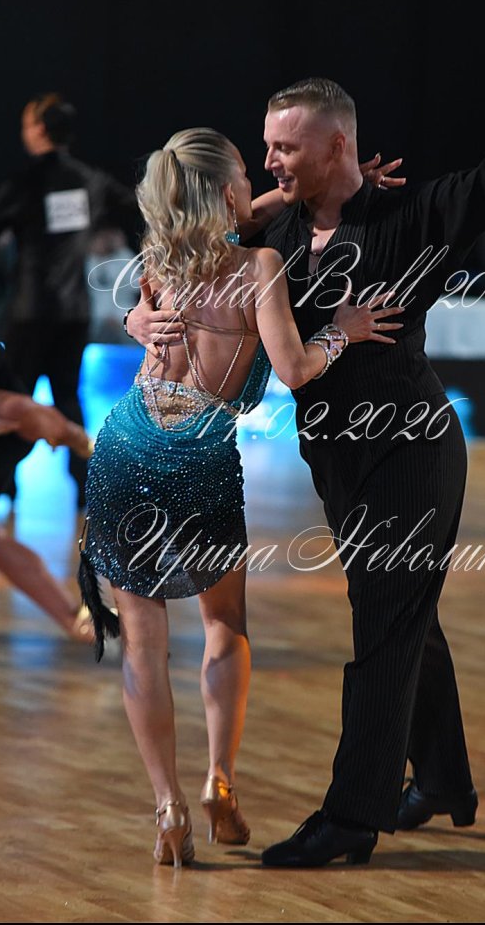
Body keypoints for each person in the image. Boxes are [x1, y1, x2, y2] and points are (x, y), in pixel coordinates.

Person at [129, 81, 485, 868]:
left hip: (412, 452)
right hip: (337, 461)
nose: (271, 161)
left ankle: (352, 816)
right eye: (266, 147)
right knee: (408, 617)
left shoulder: (413, 217)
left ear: (337, 145)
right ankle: (443, 778)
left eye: (286, 147)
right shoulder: (280, 225)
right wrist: (137, 315)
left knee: (383, 620)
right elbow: (194, 233)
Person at [79, 127, 403, 868]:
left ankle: (167, 806)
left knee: (143, 644)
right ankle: (218, 778)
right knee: (225, 626)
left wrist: (132, 317)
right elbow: (293, 368)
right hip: (200, 456)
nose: (260, 184)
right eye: (247, 177)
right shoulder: (259, 266)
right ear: (229, 192)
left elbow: (237, 213)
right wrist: (344, 331)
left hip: (125, 444)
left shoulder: (160, 260)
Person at [0, 92, 138, 507]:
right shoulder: (91, 181)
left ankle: (3, 486)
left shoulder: (23, 184)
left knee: (15, 402)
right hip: (74, 313)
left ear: (39, 129)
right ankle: (85, 492)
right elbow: (139, 205)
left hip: (29, 312)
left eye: (26, 124)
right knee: (69, 399)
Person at [0, 333, 93, 643]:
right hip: (13, 427)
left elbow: (21, 412)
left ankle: (78, 621)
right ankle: (76, 621)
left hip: (10, 431)